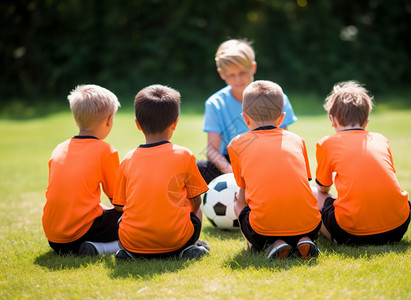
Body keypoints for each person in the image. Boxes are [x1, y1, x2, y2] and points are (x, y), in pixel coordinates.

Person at [112, 84, 210, 260]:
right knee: (196, 206)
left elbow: (119, 206)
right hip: (175, 241)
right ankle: (189, 247)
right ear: (175, 123)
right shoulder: (184, 155)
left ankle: (129, 252)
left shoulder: (127, 159)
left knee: (121, 220)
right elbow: (194, 200)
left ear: (137, 124)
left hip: (133, 242)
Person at [228, 80, 322, 260]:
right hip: (311, 225)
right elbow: (306, 183)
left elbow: (243, 191)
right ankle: (304, 239)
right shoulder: (297, 140)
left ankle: (268, 243)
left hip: (263, 230)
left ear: (245, 118)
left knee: (238, 203)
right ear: (281, 118)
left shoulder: (237, 144)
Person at [313, 81, 411, 245]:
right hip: (398, 227)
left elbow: (323, 188)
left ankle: (336, 236)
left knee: (313, 193)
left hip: (352, 232)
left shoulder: (327, 143)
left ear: (332, 119)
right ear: (366, 121)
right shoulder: (381, 139)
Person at [198, 39, 297, 184]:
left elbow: (283, 141)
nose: (238, 79)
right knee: (201, 168)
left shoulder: (276, 98)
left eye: (243, 72)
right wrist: (232, 172)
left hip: (267, 158)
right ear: (221, 73)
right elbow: (212, 151)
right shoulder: (215, 103)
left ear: (253, 67)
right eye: (231, 75)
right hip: (231, 163)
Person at [43, 84, 123, 255]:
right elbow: (119, 203)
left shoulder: (59, 148)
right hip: (82, 233)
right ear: (109, 120)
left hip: (54, 238)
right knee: (133, 220)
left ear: (75, 118)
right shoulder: (106, 151)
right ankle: (102, 248)